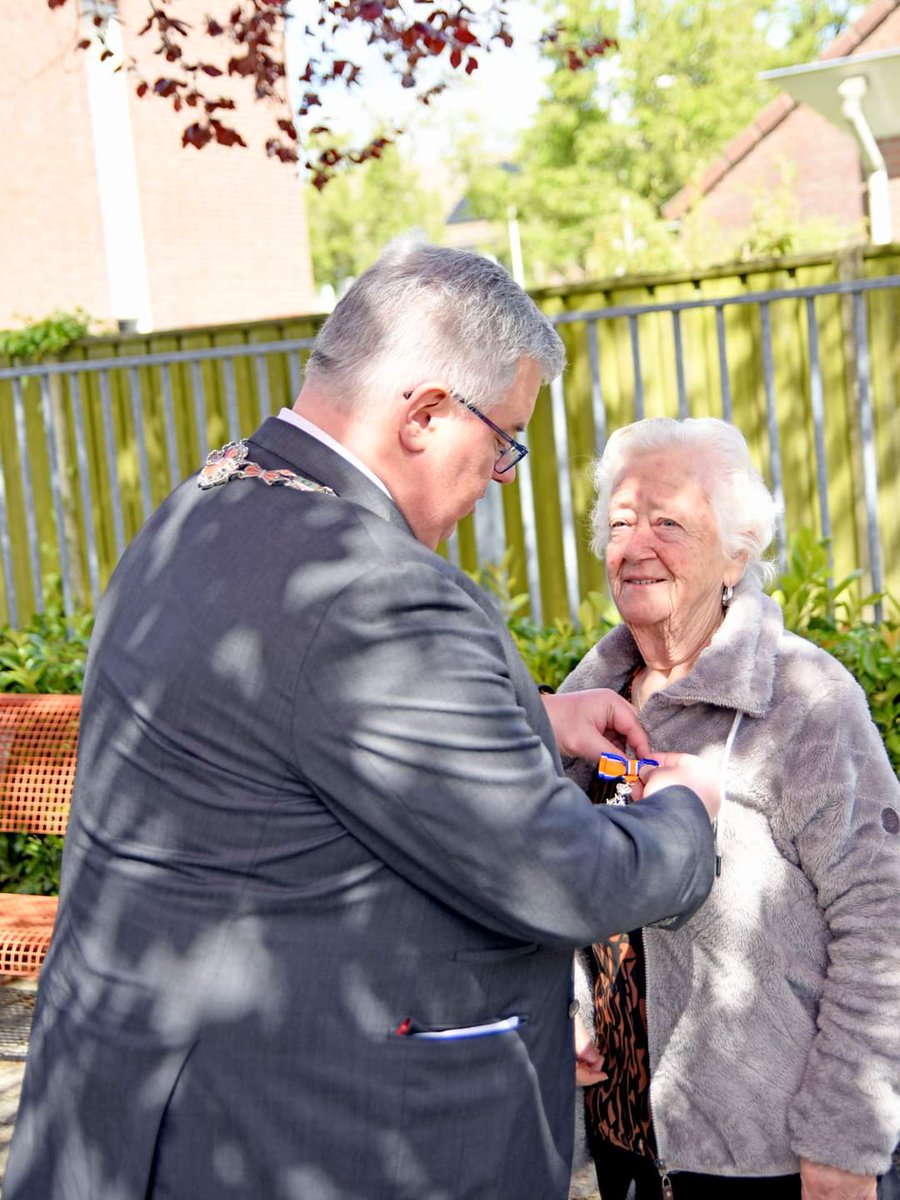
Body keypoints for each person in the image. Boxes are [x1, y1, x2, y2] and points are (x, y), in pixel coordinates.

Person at [5, 240, 720, 1200]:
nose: (504, 475)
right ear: (425, 415)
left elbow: (271, 717)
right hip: (299, 1133)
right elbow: (562, 878)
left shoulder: (200, 512)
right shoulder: (372, 592)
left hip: (127, 1104)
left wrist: (528, 716)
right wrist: (685, 819)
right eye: (504, 440)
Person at [561, 416, 900, 1200]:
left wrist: (846, 1138)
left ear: (739, 551)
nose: (636, 542)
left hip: (771, 1161)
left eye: (669, 522)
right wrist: (563, 1008)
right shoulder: (587, 703)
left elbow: (883, 917)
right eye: (619, 521)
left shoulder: (803, 702)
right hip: (623, 1146)